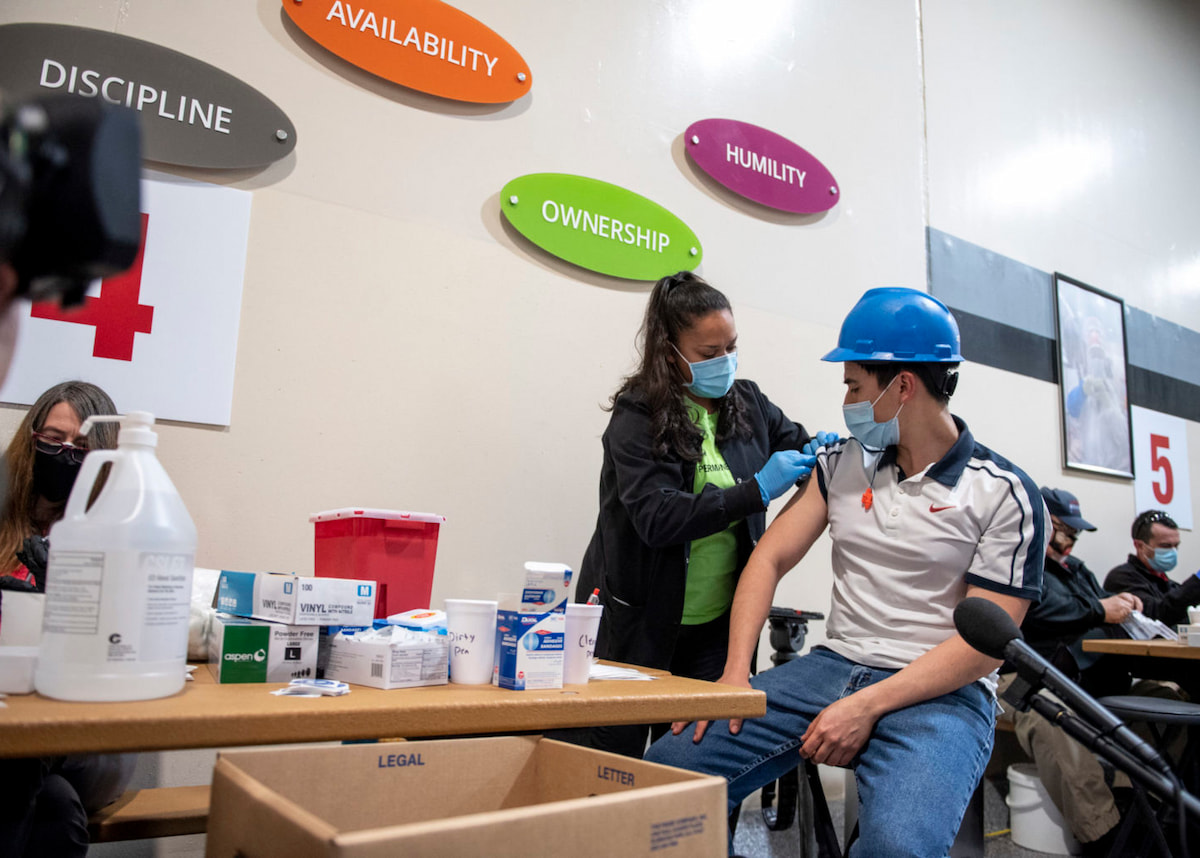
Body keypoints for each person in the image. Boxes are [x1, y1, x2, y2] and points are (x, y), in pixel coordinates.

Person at [644, 287, 1047, 858]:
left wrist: (869, 704)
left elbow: (985, 647)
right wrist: (735, 675)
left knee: (897, 849)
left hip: (941, 690)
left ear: (902, 386)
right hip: (832, 670)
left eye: (854, 385)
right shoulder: (840, 464)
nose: (847, 400)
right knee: (665, 775)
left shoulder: (1003, 493)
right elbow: (769, 557)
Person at [575, 271, 833, 759]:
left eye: (731, 347)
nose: (725, 362)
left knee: (701, 759)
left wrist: (820, 451)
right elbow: (657, 517)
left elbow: (797, 444)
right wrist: (754, 490)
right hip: (639, 625)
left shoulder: (749, 404)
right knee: (616, 759)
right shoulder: (638, 415)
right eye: (708, 353)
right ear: (669, 352)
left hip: (716, 627)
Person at [0, 380, 134, 858]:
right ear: (30, 437)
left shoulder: (124, 527)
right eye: (53, 441)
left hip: (92, 733)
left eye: (82, 447)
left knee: (21, 751)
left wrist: (68, 598)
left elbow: (126, 646)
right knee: (55, 806)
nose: (65, 454)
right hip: (11, 723)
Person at [996, 487, 1147, 856]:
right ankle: (1107, 836)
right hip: (1022, 677)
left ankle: (1148, 808)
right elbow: (1041, 610)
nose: (1069, 545)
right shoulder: (1016, 557)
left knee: (1163, 696)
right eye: (1063, 533)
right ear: (1044, 524)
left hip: (1078, 676)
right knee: (1054, 717)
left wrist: (1126, 607)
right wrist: (1098, 609)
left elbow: (1100, 607)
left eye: (1074, 537)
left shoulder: (1076, 570)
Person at [1105, 510, 1200, 628]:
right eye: (1165, 546)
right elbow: (1158, 616)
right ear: (1139, 545)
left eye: (1176, 546)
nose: (1173, 552)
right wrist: (1197, 582)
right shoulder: (1122, 578)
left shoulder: (1169, 584)